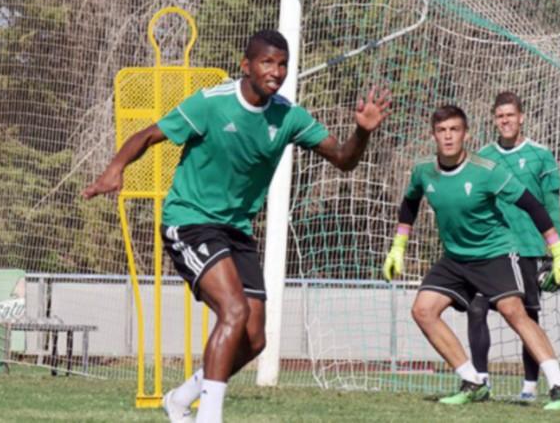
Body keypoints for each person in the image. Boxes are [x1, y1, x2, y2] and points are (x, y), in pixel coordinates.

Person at [83, 29, 390, 423]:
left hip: (236, 231)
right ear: (246, 65)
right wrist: (115, 168)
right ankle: (209, 417)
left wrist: (362, 131)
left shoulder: (289, 116)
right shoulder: (212, 104)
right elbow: (148, 135)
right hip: (190, 221)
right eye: (267, 62)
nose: (276, 71)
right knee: (234, 310)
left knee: (255, 339)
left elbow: (344, 159)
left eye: (282, 64)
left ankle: (181, 398)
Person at [382, 105, 560, 411]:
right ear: (433, 135)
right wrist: (398, 246)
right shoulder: (423, 171)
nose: (448, 136)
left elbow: (531, 204)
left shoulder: (487, 170)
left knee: (514, 312)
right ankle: (472, 382)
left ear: (466, 134)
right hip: (455, 258)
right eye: (442, 130)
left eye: (454, 129)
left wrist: (558, 250)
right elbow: (409, 204)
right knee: (423, 310)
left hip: (495, 253)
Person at [467, 92, 560, 401]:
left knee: (528, 316)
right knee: (476, 308)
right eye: (500, 116)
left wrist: (556, 251)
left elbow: (551, 205)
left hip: (529, 248)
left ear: (521, 117)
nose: (505, 121)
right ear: (494, 120)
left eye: (510, 115)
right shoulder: (482, 157)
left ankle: (529, 387)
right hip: (492, 250)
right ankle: (481, 381)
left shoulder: (541, 155)